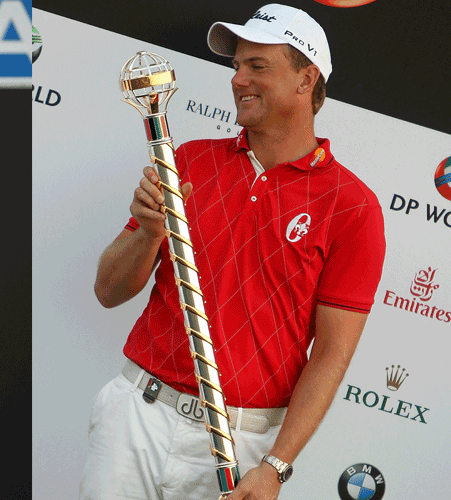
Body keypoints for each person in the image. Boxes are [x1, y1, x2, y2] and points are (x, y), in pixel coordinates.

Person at [82, 4, 385, 500]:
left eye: (257, 66)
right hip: (137, 415)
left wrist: (276, 466)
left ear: (306, 80)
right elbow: (108, 291)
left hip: (240, 444)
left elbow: (331, 356)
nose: (238, 79)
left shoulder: (352, 208)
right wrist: (148, 233)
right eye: (237, 66)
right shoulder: (189, 160)